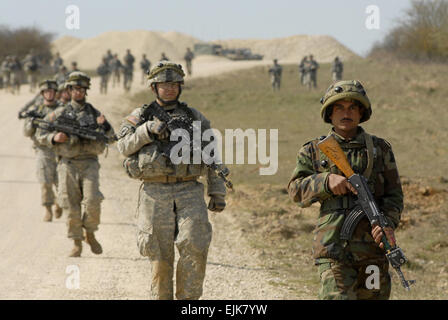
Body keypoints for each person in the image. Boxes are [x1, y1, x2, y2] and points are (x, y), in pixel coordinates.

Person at [117, 61, 227, 300]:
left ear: (181, 87)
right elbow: (123, 146)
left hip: (189, 189)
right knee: (159, 252)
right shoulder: (140, 116)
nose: (169, 89)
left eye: (174, 84)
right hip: (155, 192)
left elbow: (212, 155)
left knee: (194, 245)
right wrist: (146, 130)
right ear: (154, 87)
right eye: (163, 85)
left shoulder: (194, 117)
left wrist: (217, 192)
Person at [287, 80, 404, 300]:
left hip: (373, 251)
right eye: (339, 107)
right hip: (333, 250)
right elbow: (295, 190)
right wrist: (325, 182)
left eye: (352, 107)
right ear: (330, 114)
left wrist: (387, 223)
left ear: (362, 113)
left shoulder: (380, 150)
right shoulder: (313, 150)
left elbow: (395, 196)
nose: (346, 113)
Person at [36, 72, 116, 257]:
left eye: (81, 89)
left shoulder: (94, 113)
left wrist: (103, 126)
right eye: (74, 89)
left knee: (93, 200)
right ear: (69, 90)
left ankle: (90, 232)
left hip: (89, 163)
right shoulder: (59, 113)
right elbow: (40, 132)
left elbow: (111, 137)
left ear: (85, 91)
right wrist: (53, 138)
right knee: (70, 204)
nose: (78, 92)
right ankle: (76, 242)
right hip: (67, 164)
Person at [22, 80, 63, 222]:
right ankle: (47, 209)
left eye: (52, 91)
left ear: (55, 93)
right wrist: (31, 122)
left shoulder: (63, 109)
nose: (50, 94)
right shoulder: (37, 111)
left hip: (61, 151)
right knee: (45, 183)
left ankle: (59, 203)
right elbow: (26, 133)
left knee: (62, 183)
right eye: (47, 92)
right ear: (42, 94)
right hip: (43, 151)